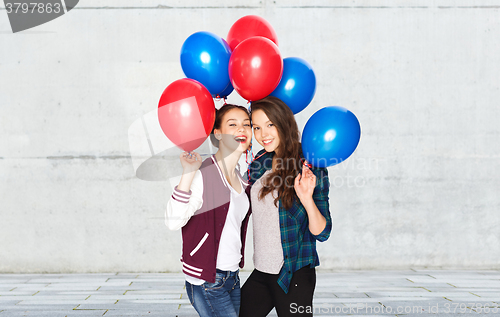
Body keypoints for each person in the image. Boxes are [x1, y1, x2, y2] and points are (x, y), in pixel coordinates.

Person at [240, 96, 332, 317]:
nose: (263, 135)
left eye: (270, 124)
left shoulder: (309, 164)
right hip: (262, 270)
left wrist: (307, 198)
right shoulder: (260, 161)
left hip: (294, 273)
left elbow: (323, 232)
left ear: (284, 123)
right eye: (257, 127)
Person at [165, 104, 252, 317]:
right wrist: (188, 173)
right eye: (233, 125)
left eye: (246, 125)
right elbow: (173, 221)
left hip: (232, 277)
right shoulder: (204, 173)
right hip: (207, 279)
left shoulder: (243, 179)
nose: (242, 130)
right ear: (218, 134)